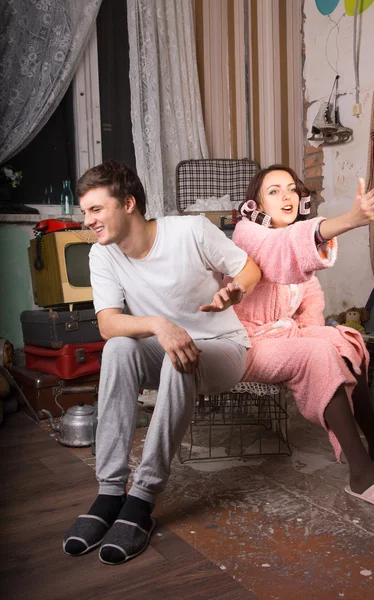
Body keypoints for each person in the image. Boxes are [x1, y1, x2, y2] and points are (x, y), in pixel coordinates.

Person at [62, 160, 261, 565]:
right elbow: (107, 324)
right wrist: (158, 324)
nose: (89, 221)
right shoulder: (103, 255)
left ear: (129, 203)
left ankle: (143, 497)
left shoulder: (189, 231)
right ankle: (110, 490)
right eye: (85, 212)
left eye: (96, 209)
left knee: (175, 360)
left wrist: (236, 291)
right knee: (118, 347)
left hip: (222, 348)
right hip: (168, 346)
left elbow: (249, 268)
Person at [233, 164, 374, 512]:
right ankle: (361, 474)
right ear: (257, 205)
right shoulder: (248, 233)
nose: (287, 196)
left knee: (347, 340)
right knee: (318, 353)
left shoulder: (295, 245)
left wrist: (318, 332)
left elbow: (311, 303)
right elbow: (279, 249)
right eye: (274, 191)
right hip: (245, 342)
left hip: (283, 336)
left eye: (292, 189)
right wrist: (350, 219)